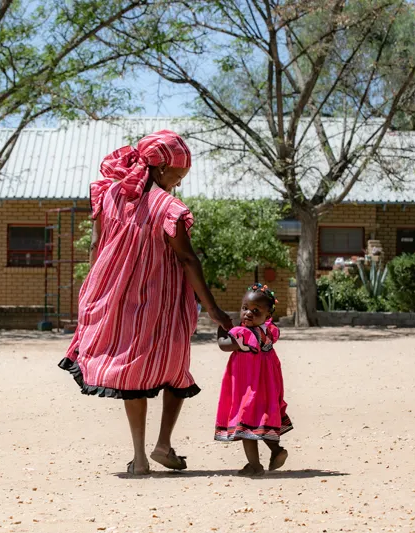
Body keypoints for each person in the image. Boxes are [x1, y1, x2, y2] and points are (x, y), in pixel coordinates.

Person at [58, 130, 234, 475]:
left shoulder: (110, 193)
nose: (179, 185)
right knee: (175, 368)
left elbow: (96, 244)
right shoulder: (169, 208)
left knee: (132, 370)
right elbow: (187, 260)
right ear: (159, 168)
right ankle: (163, 444)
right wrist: (213, 309)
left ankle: (140, 458)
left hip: (118, 297)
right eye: (177, 177)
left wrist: (99, 285)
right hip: (162, 300)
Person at [215, 283, 293, 476]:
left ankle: (254, 465)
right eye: (245, 308)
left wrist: (221, 330)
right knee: (262, 421)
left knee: (246, 422)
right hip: (267, 386)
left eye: (255, 311)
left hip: (247, 386)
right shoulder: (269, 332)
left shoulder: (243, 333)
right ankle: (276, 450)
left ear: (267, 316)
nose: (248, 313)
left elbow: (225, 345)